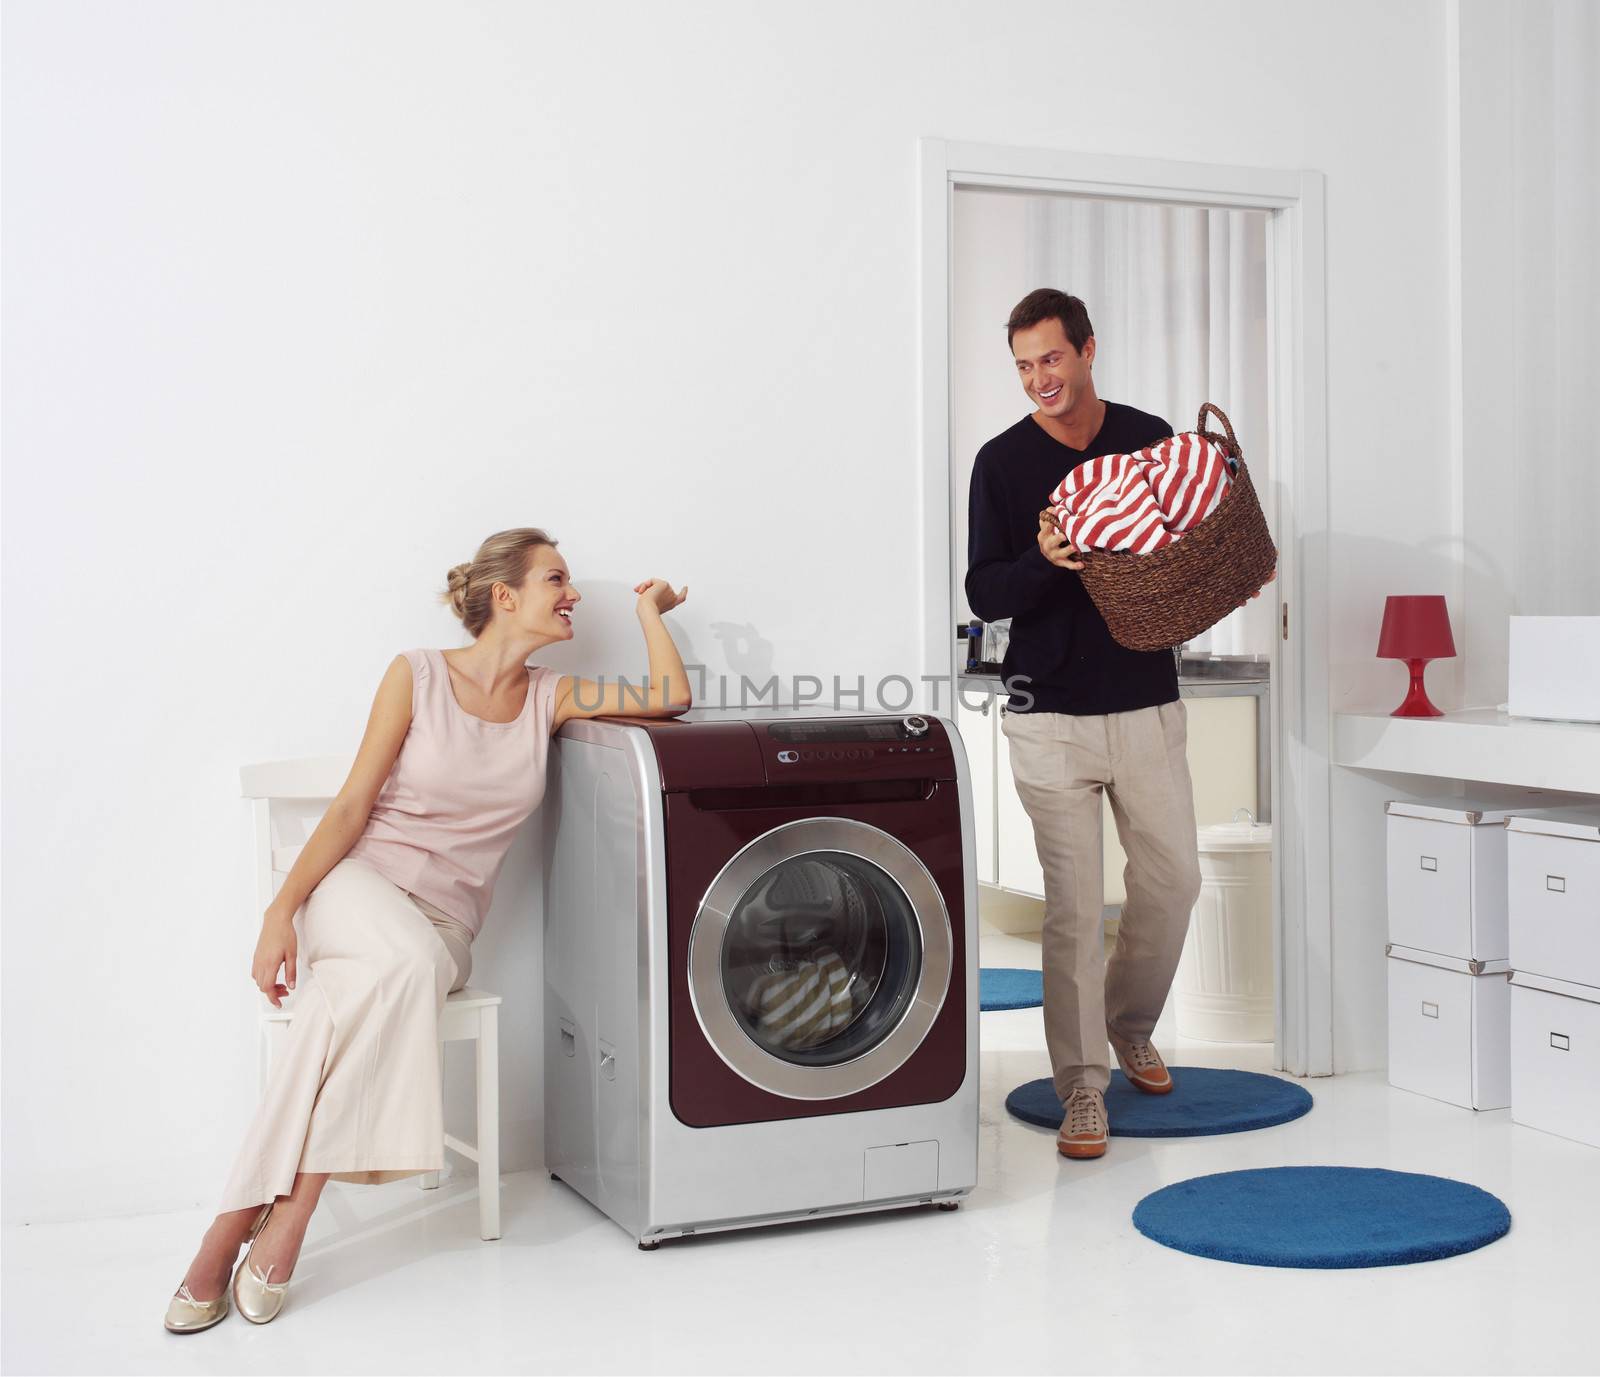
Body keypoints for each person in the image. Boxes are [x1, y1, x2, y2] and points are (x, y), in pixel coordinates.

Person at [164, 527, 691, 1332]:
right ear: (505, 595)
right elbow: (350, 806)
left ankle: (237, 1216)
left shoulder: (549, 697)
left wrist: (652, 609)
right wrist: (279, 911)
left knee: (348, 997)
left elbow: (669, 696)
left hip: (443, 927)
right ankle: (289, 1219)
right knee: (400, 963)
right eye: (558, 579)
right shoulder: (415, 674)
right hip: (357, 890)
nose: (573, 594)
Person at [965, 288, 1269, 1161]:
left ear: (1088, 349)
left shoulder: (1147, 435)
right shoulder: (1002, 462)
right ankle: (1083, 1089)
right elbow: (984, 591)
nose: (1038, 379)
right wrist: (1045, 560)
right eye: (1023, 366)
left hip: (1145, 699)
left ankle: (1129, 1024)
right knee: (1070, 909)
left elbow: (1182, 545)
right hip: (1047, 714)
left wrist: (1211, 571)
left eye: (1051, 359)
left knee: (1174, 882)